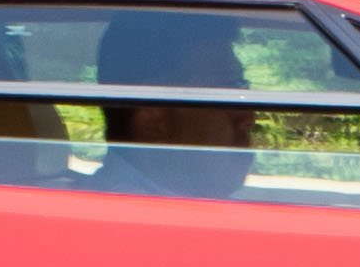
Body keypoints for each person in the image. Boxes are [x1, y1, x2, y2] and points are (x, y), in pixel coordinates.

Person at [90, 10, 256, 199]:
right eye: (227, 88)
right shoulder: (130, 221)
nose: (249, 117)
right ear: (155, 121)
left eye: (241, 85)